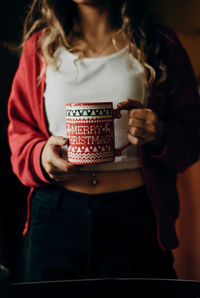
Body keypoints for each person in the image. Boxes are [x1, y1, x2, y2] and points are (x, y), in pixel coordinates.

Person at [7, 0, 200, 282]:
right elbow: (19, 133)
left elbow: (192, 137)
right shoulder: (40, 47)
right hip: (55, 218)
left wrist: (160, 134)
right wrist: (40, 156)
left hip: (135, 219)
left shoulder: (161, 44)